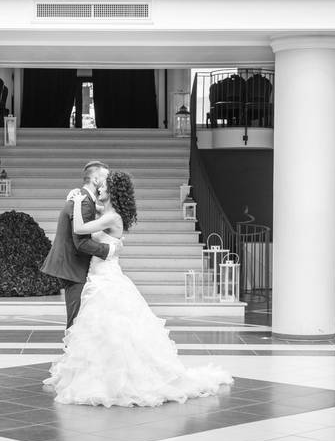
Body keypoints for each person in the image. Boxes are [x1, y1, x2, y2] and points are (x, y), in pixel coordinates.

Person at [44, 170, 233, 407]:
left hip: (106, 277)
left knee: (110, 328)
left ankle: (116, 380)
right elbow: (97, 211)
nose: (99, 188)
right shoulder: (110, 213)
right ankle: (102, 375)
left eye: (102, 186)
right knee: (102, 330)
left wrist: (78, 200)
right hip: (100, 274)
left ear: (111, 191)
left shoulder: (112, 218)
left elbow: (81, 228)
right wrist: (82, 198)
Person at [40, 160, 113, 329]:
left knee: (82, 317)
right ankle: (71, 354)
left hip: (75, 265)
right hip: (73, 267)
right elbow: (81, 243)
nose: (109, 181)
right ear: (95, 179)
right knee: (76, 319)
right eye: (106, 177)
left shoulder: (86, 199)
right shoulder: (84, 201)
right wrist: (109, 250)